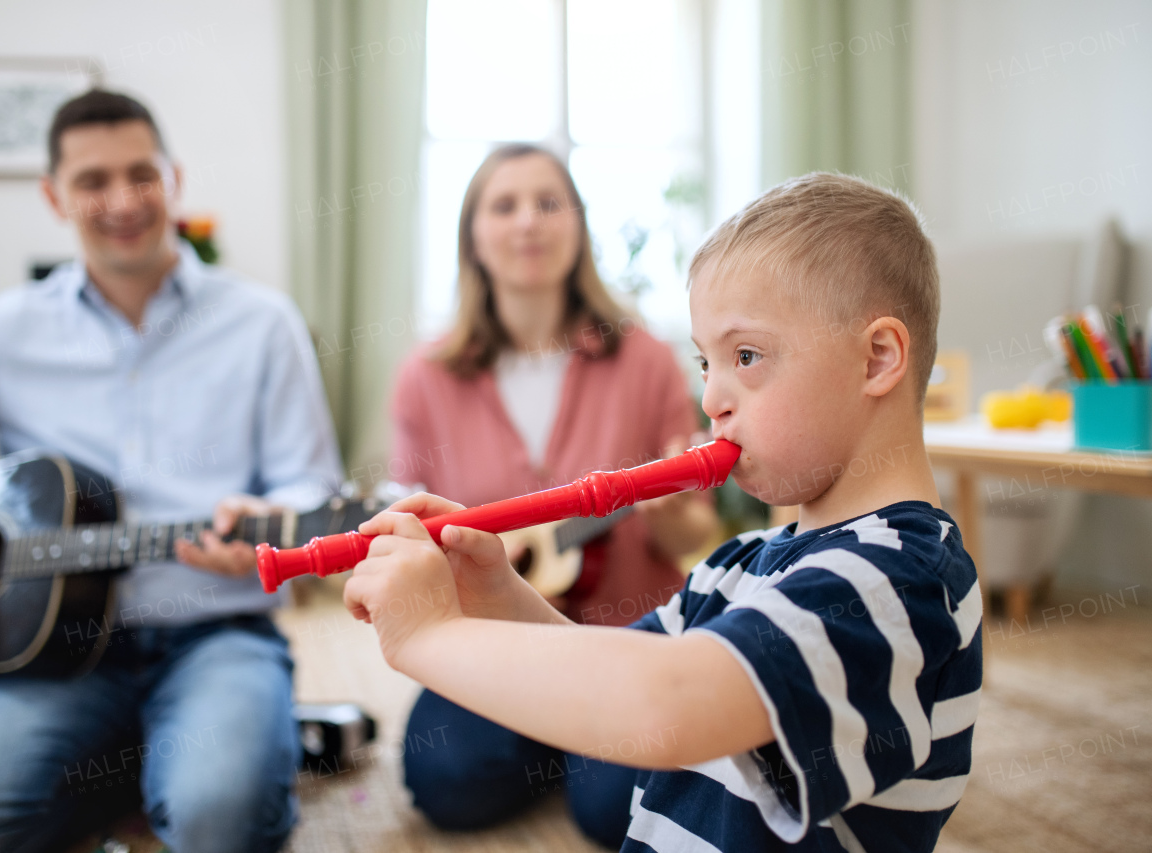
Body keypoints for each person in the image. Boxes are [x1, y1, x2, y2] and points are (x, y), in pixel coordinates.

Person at [345, 172, 981, 852]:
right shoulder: (742, 563)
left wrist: (426, 634)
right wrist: (498, 592)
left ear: (877, 357)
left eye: (746, 355)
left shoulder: (897, 576)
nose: (712, 400)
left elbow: (667, 705)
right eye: (707, 364)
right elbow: (604, 663)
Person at [0, 90, 342, 852]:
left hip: (217, 633)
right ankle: (126, 773)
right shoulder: (3, 328)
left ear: (175, 179)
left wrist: (266, 537)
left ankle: (161, 769)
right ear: (53, 195)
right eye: (93, 181)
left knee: (217, 816)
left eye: (142, 174)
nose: (123, 201)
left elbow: (312, 492)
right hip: (44, 657)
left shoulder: (264, 323)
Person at [390, 144, 719, 846]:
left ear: (579, 226)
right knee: (441, 779)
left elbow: (691, 539)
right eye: (503, 205)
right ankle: (568, 742)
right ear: (472, 234)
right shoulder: (426, 375)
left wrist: (671, 514)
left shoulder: (647, 358)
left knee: (612, 814)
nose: (528, 222)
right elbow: (408, 529)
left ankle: (574, 747)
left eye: (549, 202)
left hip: (628, 638)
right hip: (494, 643)